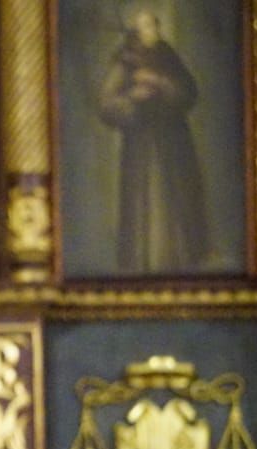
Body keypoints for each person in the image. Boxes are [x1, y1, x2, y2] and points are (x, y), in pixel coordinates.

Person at [98, 9, 209, 274]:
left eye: (154, 26)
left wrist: (159, 82)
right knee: (143, 200)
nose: (153, 31)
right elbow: (107, 105)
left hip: (174, 139)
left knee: (176, 196)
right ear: (136, 31)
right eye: (146, 27)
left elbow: (189, 93)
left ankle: (182, 260)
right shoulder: (124, 60)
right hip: (140, 142)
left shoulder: (168, 55)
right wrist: (133, 98)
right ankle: (142, 263)